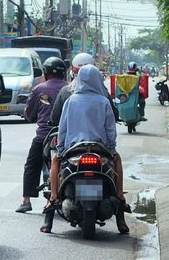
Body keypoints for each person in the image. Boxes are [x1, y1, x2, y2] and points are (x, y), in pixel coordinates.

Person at [41, 64, 130, 234]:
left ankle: (52, 198)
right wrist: (111, 149)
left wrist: (61, 150)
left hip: (73, 150)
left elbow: (63, 128)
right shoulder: (103, 101)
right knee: (117, 160)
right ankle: (120, 199)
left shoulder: (70, 101)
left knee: (55, 161)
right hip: (101, 149)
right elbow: (111, 130)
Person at [16, 57, 68, 214]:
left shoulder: (39, 89)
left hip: (44, 136)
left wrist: (32, 117)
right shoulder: (70, 88)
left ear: (45, 73)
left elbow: (29, 114)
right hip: (67, 136)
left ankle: (26, 200)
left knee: (32, 165)